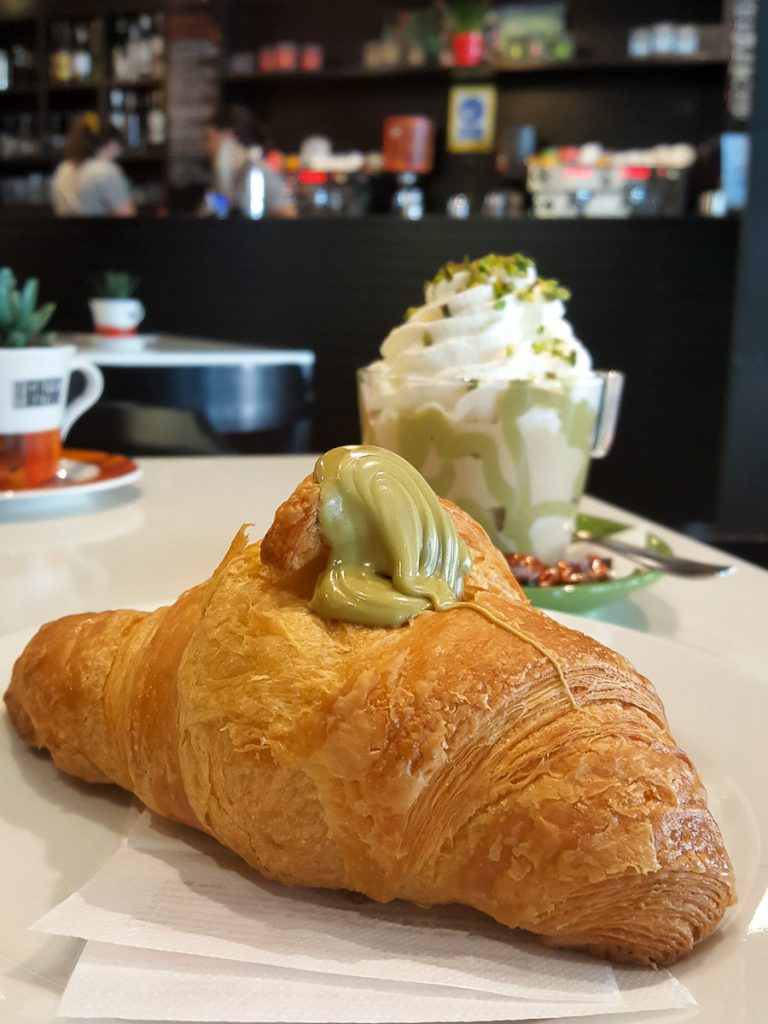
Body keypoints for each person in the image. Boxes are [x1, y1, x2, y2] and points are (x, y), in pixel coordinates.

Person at [204, 105, 297, 218]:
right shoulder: (231, 176)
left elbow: (289, 213)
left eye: (208, 138)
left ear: (227, 135)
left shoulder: (258, 171)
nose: (206, 147)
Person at [52, 116, 136, 217]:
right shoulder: (106, 171)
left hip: (65, 233)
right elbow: (126, 216)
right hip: (101, 232)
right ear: (110, 143)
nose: (119, 151)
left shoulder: (63, 169)